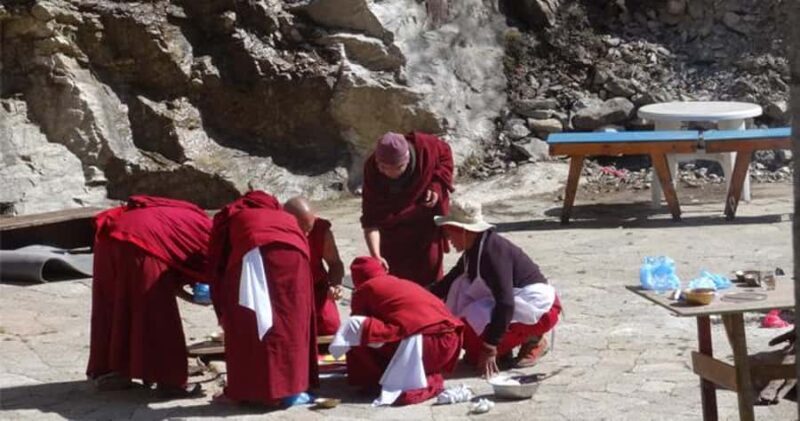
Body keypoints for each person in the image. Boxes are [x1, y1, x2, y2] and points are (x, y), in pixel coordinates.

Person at [87, 195, 211, 397]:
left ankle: (113, 372)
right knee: (157, 315)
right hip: (138, 244)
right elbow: (216, 273)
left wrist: (190, 297)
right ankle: (169, 382)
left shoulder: (190, 218)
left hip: (111, 239)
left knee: (115, 305)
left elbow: (168, 269)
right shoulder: (207, 233)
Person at [429, 199, 561, 378]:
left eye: (449, 232)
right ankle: (504, 348)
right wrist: (415, 296)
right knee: (465, 335)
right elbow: (447, 283)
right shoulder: (472, 250)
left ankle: (533, 338)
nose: (448, 238)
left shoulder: (493, 253)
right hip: (509, 306)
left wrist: (490, 347)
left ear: (463, 231)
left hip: (540, 310)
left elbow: (506, 303)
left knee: (479, 349)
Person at [208, 191, 318, 406]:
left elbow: (217, 260)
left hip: (254, 257)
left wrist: (222, 304)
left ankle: (255, 391)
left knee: (250, 323)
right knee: (291, 324)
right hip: (296, 260)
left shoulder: (234, 217)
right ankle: (292, 389)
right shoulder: (283, 218)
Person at [330, 257, 463, 406]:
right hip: (450, 343)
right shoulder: (402, 282)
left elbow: (357, 322)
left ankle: (373, 379)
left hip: (427, 345)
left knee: (353, 327)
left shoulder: (365, 289)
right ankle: (417, 374)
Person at [361, 131, 454, 286]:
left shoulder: (425, 148)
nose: (388, 173)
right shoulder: (372, 169)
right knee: (397, 282)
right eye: (383, 167)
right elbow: (371, 218)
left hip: (425, 224)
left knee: (431, 278)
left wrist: (435, 185)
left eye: (396, 168)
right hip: (392, 234)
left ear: (407, 160)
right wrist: (376, 255)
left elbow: (445, 156)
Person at [283, 196, 344, 336]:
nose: (306, 235)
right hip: (287, 295)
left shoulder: (320, 230)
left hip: (318, 290)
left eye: (309, 229)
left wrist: (335, 284)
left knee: (331, 328)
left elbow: (335, 263)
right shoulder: (274, 232)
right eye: (300, 230)